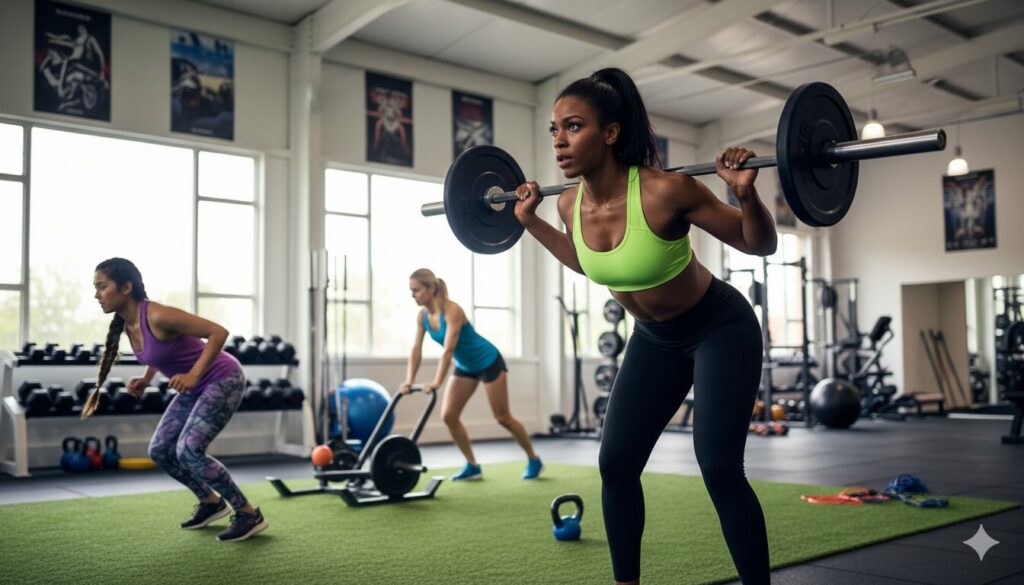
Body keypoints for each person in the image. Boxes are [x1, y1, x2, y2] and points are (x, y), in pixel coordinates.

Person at [513, 68, 776, 585]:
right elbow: (590, 260)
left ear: (610, 133)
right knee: (615, 464)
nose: (559, 141)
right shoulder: (567, 203)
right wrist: (530, 221)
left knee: (719, 467)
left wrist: (745, 196)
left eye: (573, 127)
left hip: (718, 327)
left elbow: (757, 243)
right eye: (554, 129)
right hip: (654, 339)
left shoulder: (666, 191)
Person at [83, 258, 267, 542]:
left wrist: (193, 375)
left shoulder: (158, 315)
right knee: (160, 450)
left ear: (126, 287)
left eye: (102, 286)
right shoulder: (128, 324)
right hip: (196, 387)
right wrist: (147, 378)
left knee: (189, 450)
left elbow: (218, 333)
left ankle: (247, 513)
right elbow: (161, 351)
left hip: (223, 378)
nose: (97, 295)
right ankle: (210, 502)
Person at [400, 268, 542, 481]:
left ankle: (533, 459)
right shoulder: (423, 317)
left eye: (416, 290)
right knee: (449, 416)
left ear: (431, 288)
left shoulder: (453, 310)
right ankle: (472, 465)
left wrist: (437, 382)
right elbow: (416, 349)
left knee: (503, 418)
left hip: (488, 361)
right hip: (465, 366)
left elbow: (448, 350)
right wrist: (409, 380)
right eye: (411, 291)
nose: (413, 295)